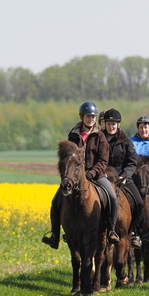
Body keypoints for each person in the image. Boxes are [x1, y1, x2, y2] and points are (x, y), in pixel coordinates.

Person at [41, 101, 119, 249]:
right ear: (81, 117)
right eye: (88, 117)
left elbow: (103, 160)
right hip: (75, 177)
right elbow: (67, 158)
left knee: (112, 197)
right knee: (55, 201)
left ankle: (112, 230)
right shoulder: (73, 135)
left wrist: (92, 172)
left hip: (97, 175)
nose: (91, 119)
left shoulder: (100, 136)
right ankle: (55, 235)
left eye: (93, 117)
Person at [102, 109, 145, 249]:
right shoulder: (98, 138)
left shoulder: (126, 141)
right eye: (108, 124)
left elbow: (132, 162)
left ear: (118, 125)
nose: (111, 127)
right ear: (105, 124)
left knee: (139, 203)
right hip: (103, 177)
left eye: (114, 124)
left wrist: (125, 175)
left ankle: (134, 233)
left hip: (122, 178)